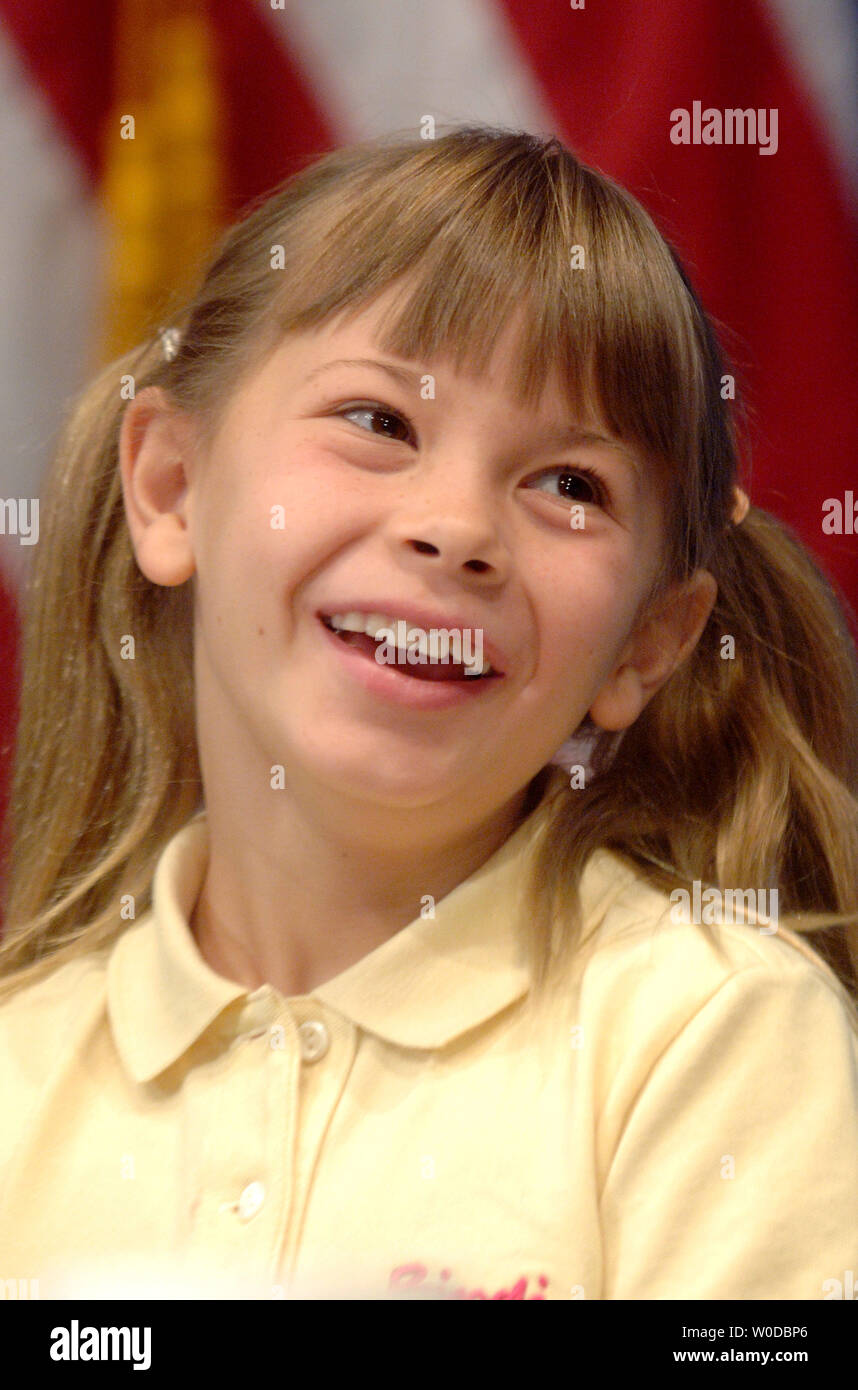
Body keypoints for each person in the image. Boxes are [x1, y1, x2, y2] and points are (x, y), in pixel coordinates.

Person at [0, 125, 856, 1301]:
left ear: (648, 643)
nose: (454, 528)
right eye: (379, 422)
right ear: (173, 488)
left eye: (571, 486)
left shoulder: (711, 1033)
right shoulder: (18, 1072)